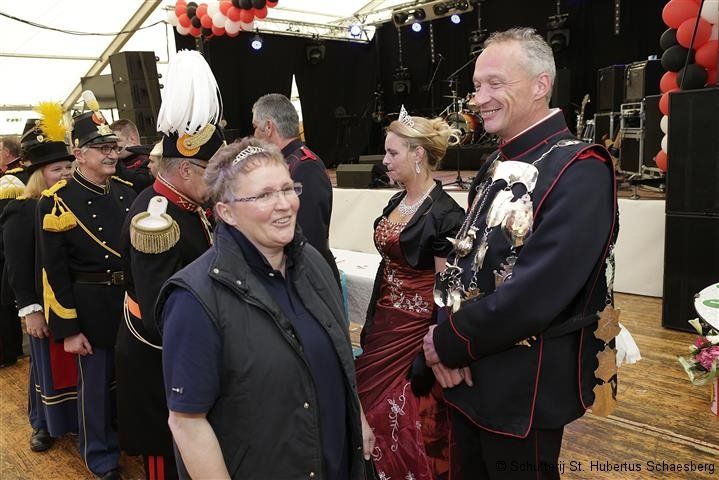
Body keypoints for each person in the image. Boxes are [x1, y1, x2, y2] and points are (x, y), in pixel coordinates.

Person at [422, 28, 618, 479]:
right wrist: (443, 345)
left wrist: (447, 343)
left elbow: (536, 295)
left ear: (540, 85)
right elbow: (465, 261)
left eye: (495, 83)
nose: (479, 98)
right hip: (466, 375)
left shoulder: (580, 168)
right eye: (477, 86)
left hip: (522, 388)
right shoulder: (496, 161)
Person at [156, 138, 373, 479]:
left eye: (287, 188)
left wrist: (357, 419)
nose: (284, 204)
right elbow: (187, 422)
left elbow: (338, 357)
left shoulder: (312, 263)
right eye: (264, 195)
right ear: (226, 211)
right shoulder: (195, 299)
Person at [115, 49, 223, 480]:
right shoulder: (156, 215)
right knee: (167, 459)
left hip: (183, 351)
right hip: (159, 357)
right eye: (212, 171)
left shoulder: (187, 205)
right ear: (187, 170)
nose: (218, 182)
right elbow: (160, 309)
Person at [355, 108, 465, 480]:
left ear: (418, 154)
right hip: (386, 322)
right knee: (365, 403)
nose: (384, 161)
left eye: (392, 153)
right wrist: (373, 319)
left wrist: (431, 349)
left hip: (415, 332)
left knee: (400, 416)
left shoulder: (446, 215)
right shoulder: (397, 202)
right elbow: (387, 268)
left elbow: (447, 293)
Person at [37, 90, 137, 480]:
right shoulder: (56, 202)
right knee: (94, 388)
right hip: (89, 306)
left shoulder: (127, 192)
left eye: (113, 147)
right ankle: (100, 456)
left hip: (128, 302)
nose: (112, 154)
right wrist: (69, 329)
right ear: (79, 154)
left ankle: (130, 439)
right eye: (102, 148)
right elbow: (54, 272)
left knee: (129, 381)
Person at [0, 109, 77, 452]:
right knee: (45, 367)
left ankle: (75, 419)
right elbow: (16, 264)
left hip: (73, 300)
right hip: (42, 304)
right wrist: (30, 310)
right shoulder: (24, 208)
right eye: (56, 169)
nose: (65, 174)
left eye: (68, 168)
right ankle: (43, 423)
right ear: (38, 174)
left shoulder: (75, 202)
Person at [251, 93, 340, 285]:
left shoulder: (305, 166)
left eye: (255, 127)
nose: (254, 135)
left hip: (307, 279)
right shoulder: (285, 163)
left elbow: (309, 236)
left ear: (268, 127)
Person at [110, 119, 153, 193]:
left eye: (117, 141)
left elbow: (140, 182)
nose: (113, 145)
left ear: (132, 139)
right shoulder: (118, 162)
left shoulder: (150, 160)